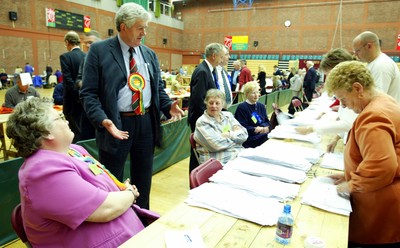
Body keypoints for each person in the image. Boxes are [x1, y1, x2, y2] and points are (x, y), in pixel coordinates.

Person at [80, 2, 184, 209]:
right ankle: (116, 225)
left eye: (146, 28)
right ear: (123, 27)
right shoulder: (99, 51)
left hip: (145, 123)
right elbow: (88, 94)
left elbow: (157, 90)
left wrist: (167, 106)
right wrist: (103, 120)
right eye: (140, 28)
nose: (144, 33)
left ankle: (142, 217)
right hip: (116, 125)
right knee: (113, 180)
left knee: (144, 178)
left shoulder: (148, 54)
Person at [5, 97, 144, 247]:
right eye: (60, 117)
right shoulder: (41, 172)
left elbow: (103, 186)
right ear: (46, 133)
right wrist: (130, 194)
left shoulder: (74, 150)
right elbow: (105, 209)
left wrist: (121, 189)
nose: (67, 121)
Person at [323, 61, 400, 247]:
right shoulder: (385, 101)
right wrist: (349, 174)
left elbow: (382, 166)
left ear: (358, 88)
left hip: (380, 212)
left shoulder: (373, 115)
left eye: (343, 100)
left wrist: (352, 184)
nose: (345, 106)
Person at [188, 42, 224, 172]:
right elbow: (199, 100)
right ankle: (196, 177)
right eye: (221, 57)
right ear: (214, 56)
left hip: (204, 117)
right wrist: (208, 120)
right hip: (200, 118)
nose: (221, 60)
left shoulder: (208, 70)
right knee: (198, 151)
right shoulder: (202, 71)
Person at [194, 89, 248, 164]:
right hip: (218, 161)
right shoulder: (202, 122)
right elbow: (217, 145)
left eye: (217, 103)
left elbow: (244, 135)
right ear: (206, 104)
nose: (214, 106)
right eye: (211, 103)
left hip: (237, 155)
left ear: (222, 105)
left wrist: (229, 135)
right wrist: (236, 137)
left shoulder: (228, 115)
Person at [352, 31, 400, 103]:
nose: (355, 55)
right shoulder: (374, 63)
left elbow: (376, 98)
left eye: (357, 51)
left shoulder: (382, 65)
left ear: (369, 46)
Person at [60, 30, 86, 142]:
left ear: (67, 42)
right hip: (85, 100)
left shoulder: (65, 57)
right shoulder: (86, 56)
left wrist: (76, 95)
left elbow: (68, 80)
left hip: (71, 101)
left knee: (73, 132)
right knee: (83, 129)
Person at [76, 30, 102, 141]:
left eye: (90, 42)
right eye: (85, 42)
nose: (87, 45)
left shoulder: (106, 59)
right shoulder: (84, 59)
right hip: (87, 106)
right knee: (86, 138)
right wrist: (83, 83)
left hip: (102, 107)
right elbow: (78, 79)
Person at [234, 81, 270, 148]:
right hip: (250, 138)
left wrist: (262, 128)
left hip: (262, 133)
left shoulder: (261, 106)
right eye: (253, 93)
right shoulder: (242, 107)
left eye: (257, 92)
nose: (256, 95)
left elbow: (267, 121)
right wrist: (255, 129)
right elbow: (242, 127)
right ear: (247, 94)